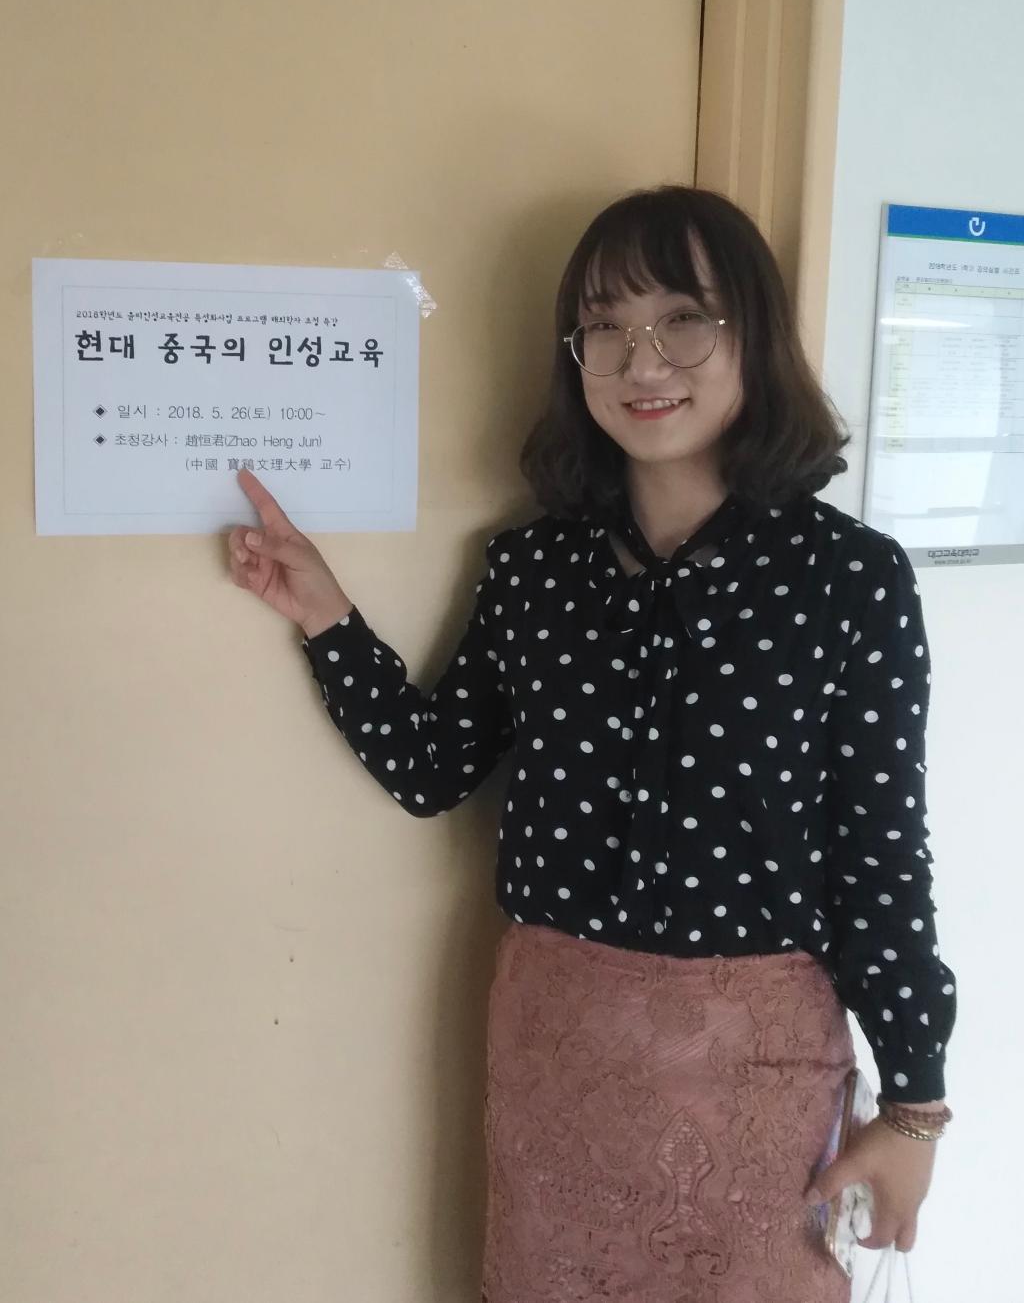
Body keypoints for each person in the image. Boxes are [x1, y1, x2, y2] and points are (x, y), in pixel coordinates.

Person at [226, 185, 956, 1303]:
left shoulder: (849, 579)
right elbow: (432, 769)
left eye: (682, 320)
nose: (640, 362)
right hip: (558, 1048)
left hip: (757, 1062)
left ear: (753, 335)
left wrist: (912, 1108)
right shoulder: (533, 569)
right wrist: (326, 613)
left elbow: (881, 858)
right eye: (604, 328)